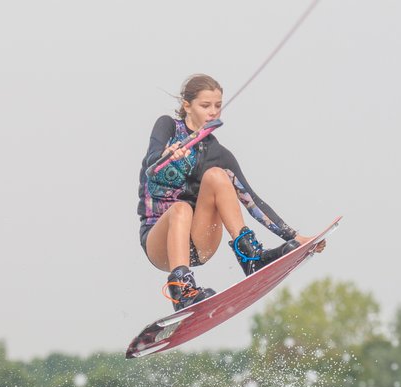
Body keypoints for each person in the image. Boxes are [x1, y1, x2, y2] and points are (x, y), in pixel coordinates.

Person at [137, 74, 325, 311]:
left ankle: (251, 258)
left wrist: (296, 239)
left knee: (217, 175)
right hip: (160, 242)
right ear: (187, 105)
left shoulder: (218, 153)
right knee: (181, 209)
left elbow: (253, 202)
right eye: (205, 105)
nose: (213, 112)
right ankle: (182, 290)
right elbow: (152, 162)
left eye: (217, 105)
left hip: (199, 241)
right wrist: (168, 155)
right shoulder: (167, 127)